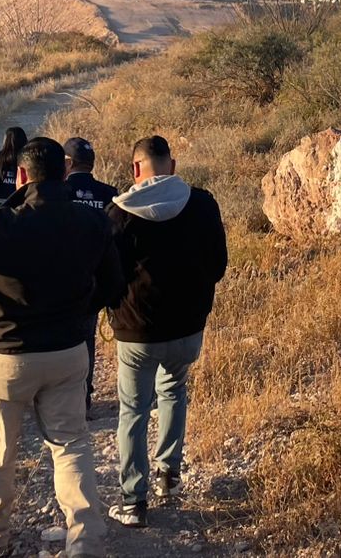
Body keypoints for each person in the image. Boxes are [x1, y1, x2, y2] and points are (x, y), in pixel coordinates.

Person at [0, 137, 125, 558]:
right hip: (67, 353)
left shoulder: (0, 223)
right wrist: (79, 311)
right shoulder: (92, 222)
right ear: (65, 171)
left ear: (22, 176)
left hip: (6, 357)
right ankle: (85, 540)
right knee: (71, 445)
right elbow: (114, 286)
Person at [105, 135, 228, 528]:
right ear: (171, 166)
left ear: (135, 169)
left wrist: (113, 306)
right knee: (174, 391)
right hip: (188, 329)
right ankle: (168, 477)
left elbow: (108, 276)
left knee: (133, 410)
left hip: (136, 332)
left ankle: (133, 501)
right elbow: (218, 264)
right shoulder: (203, 203)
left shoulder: (118, 214)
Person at [63, 136, 120, 405]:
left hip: (61, 278)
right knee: (86, 338)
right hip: (95, 280)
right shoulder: (110, 194)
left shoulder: (59, 192)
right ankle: (83, 396)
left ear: (68, 163)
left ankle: (59, 399)